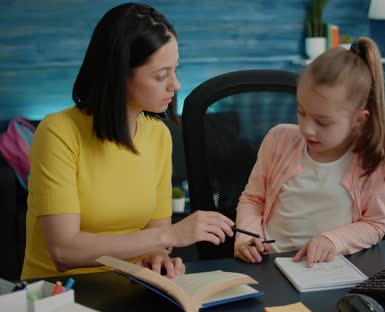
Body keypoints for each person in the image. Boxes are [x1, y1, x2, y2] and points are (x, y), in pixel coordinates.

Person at [21, 2, 234, 280]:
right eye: (161, 75)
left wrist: (160, 259)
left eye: (175, 70)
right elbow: (64, 251)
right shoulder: (58, 132)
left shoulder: (158, 135)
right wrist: (169, 236)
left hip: (132, 285)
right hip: (63, 293)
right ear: (119, 75)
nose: (176, 85)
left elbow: (153, 237)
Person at [234, 37, 385, 267]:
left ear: (358, 120)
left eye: (323, 122)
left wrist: (333, 240)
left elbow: (374, 224)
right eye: (302, 112)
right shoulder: (278, 139)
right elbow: (253, 199)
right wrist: (247, 236)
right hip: (269, 264)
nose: (307, 128)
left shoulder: (377, 162)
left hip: (330, 270)